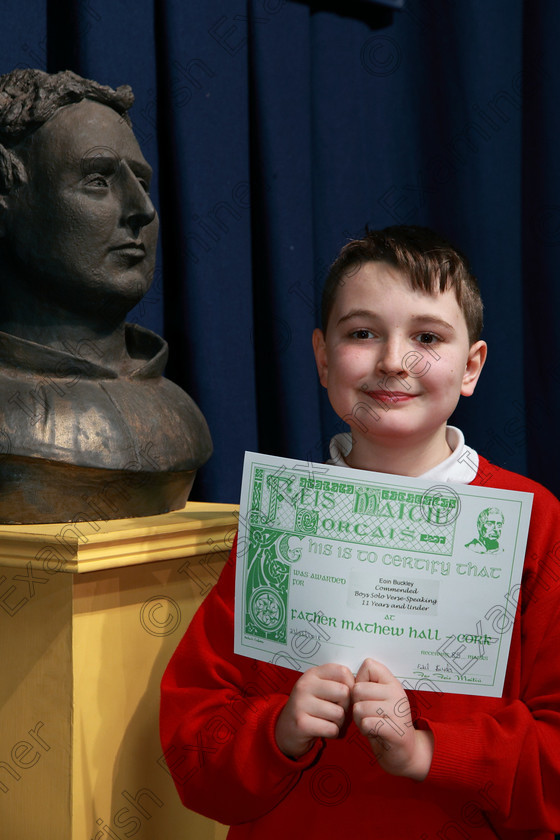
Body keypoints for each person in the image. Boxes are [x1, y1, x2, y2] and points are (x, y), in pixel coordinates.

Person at [160, 226, 560, 839]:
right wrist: (279, 731)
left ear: (472, 366)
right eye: (362, 333)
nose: (393, 360)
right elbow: (194, 739)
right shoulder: (281, 519)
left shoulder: (532, 521)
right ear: (323, 358)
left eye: (427, 337)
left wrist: (428, 752)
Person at [0, 69, 211, 522]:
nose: (143, 210)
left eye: (142, 183)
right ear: (8, 196)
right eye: (98, 180)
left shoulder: (179, 413)